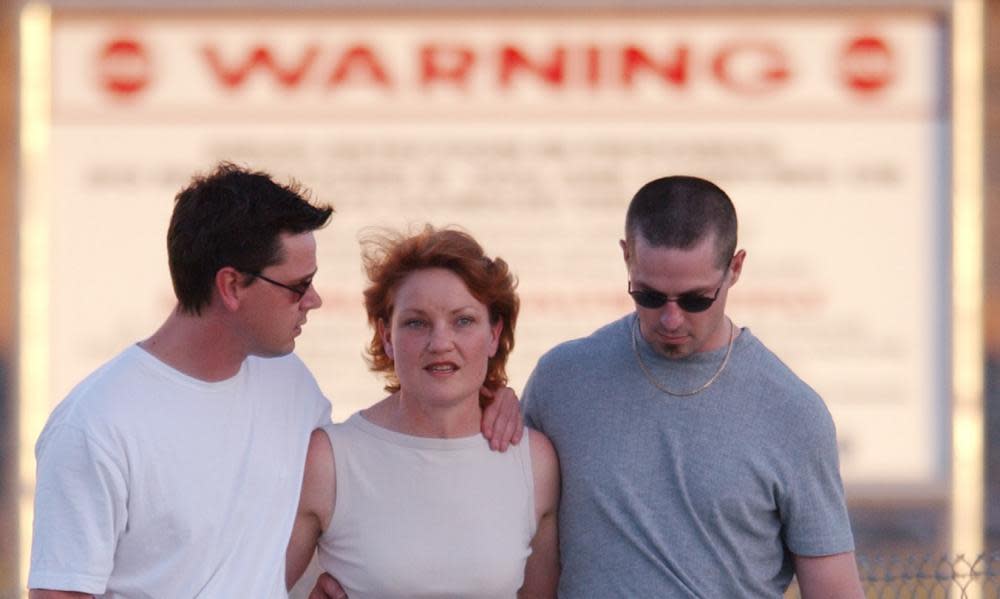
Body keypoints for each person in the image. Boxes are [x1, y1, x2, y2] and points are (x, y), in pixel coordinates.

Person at [28, 164, 522, 598]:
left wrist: (493, 399)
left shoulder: (289, 383)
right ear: (231, 286)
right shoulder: (96, 426)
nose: (315, 301)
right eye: (299, 287)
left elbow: (392, 449)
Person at [521, 176, 864, 597]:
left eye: (695, 299)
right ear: (626, 257)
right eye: (648, 296)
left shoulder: (792, 412)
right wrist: (492, 402)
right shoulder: (561, 381)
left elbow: (834, 590)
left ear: (735, 268)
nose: (670, 319)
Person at [287, 226, 560, 598]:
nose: (440, 343)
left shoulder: (535, 462)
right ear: (386, 335)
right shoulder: (330, 459)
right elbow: (246, 584)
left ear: (494, 334)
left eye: (463, 320)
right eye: (416, 322)